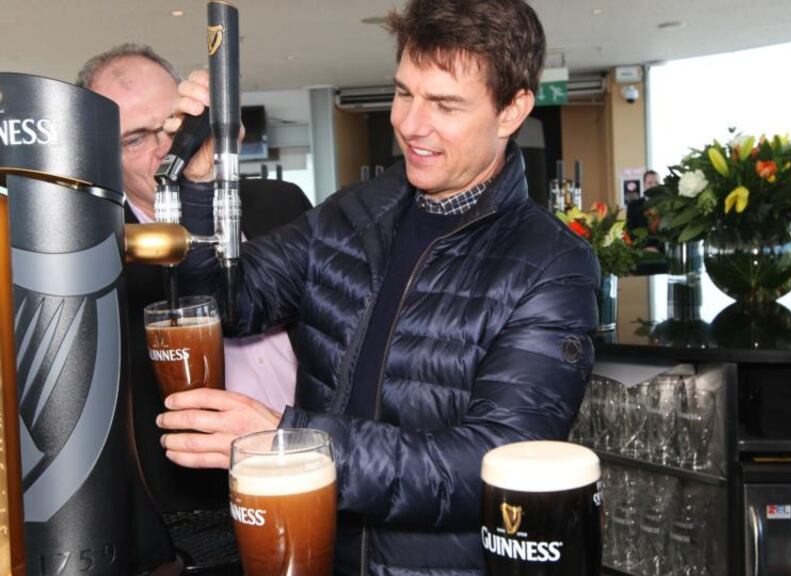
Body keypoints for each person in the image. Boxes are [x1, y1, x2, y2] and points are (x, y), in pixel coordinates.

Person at [156, 0, 600, 574]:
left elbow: (491, 465)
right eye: (404, 92)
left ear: (512, 110)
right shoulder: (352, 214)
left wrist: (292, 440)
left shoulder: (552, 266)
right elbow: (226, 303)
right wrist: (198, 185)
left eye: (444, 104)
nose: (412, 124)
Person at [78, 44, 312, 515]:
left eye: (172, 122)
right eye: (136, 139)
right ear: (102, 157)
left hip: (317, 462)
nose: (167, 147)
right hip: (198, 505)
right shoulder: (96, 254)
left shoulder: (281, 201)